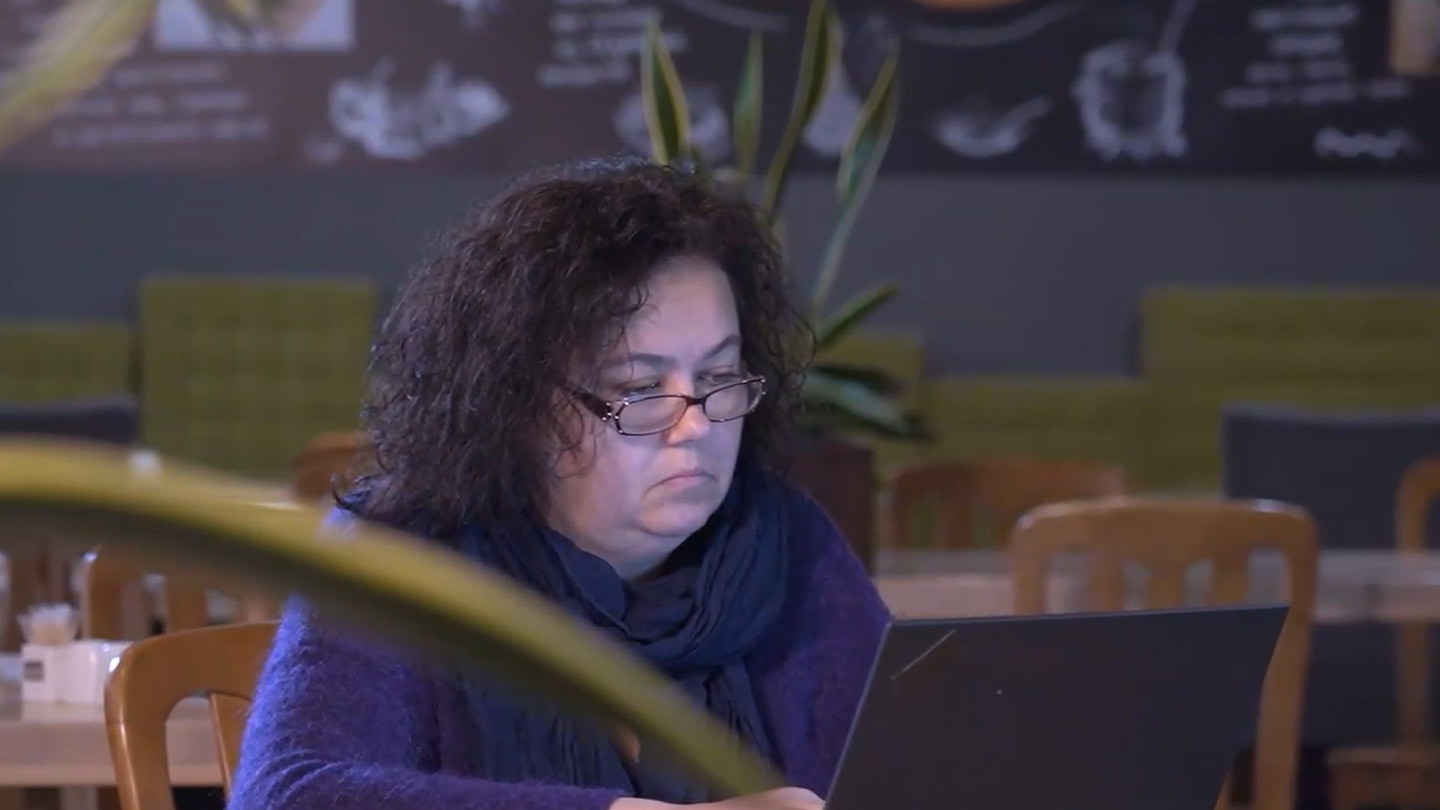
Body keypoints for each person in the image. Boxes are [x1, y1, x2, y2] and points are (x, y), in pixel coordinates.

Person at [228, 155, 890, 810]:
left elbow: (914, 763)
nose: (695, 427)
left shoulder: (787, 541)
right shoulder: (399, 551)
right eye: (639, 388)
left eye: (718, 378)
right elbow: (285, 798)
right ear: (517, 405)